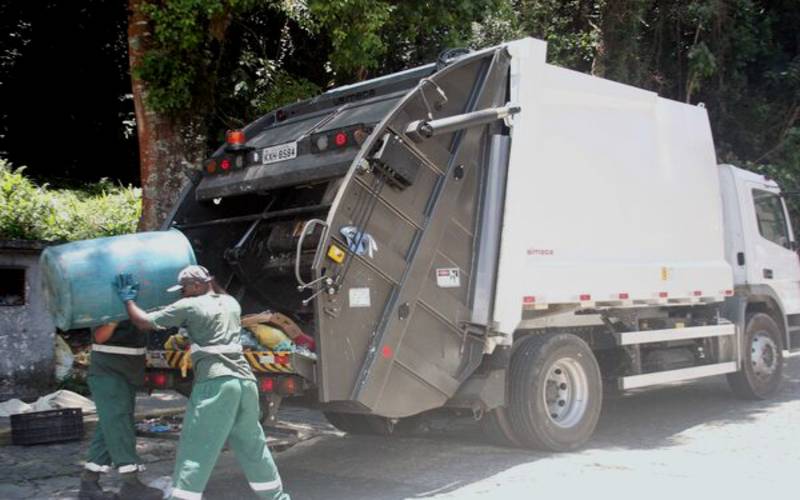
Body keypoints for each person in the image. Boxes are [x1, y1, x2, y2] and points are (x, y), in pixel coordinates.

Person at [115, 264, 290, 500]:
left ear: (197, 285)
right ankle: (276, 496)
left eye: (185, 288)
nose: (182, 293)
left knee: (197, 444)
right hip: (245, 382)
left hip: (216, 383)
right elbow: (218, 291)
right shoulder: (231, 304)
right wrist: (211, 279)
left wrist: (128, 300)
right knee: (252, 443)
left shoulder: (190, 305)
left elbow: (143, 322)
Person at [79, 320, 163, 500]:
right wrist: (117, 315)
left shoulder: (136, 301)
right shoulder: (108, 302)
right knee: (118, 423)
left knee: (109, 425)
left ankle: (88, 483)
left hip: (129, 371)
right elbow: (100, 336)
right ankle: (130, 483)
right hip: (108, 372)